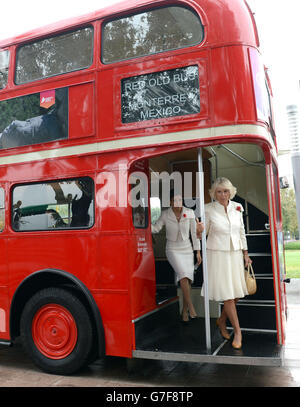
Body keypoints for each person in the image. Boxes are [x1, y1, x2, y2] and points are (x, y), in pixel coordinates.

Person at [199, 177, 252, 349]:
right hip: (217, 254)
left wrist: (246, 254)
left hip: (235, 253)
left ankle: (222, 320)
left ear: (231, 192)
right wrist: (198, 230)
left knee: (236, 293)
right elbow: (202, 234)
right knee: (229, 295)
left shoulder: (237, 208)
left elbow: (242, 231)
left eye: (225, 191)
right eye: (219, 191)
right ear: (214, 193)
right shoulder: (208, 209)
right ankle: (238, 331)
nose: (222, 195)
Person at [151, 190, 203, 322]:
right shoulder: (165, 214)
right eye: (175, 200)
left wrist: (197, 252)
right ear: (170, 202)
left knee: (188, 279)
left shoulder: (190, 213)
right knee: (184, 276)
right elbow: (156, 228)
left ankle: (184, 311)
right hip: (172, 249)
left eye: (180, 200)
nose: (178, 203)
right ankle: (191, 307)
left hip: (187, 248)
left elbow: (194, 234)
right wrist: (143, 222)